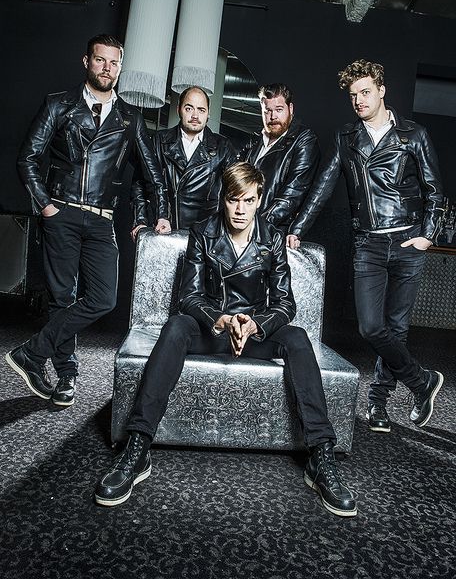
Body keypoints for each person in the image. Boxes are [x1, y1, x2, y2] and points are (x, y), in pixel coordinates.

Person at [94, 162, 357, 518]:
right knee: (175, 327)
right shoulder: (204, 232)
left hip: (253, 332)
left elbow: (285, 303)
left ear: (259, 200)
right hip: (212, 330)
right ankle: (138, 446)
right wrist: (222, 319)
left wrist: (252, 324)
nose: (240, 209)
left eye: (248, 201)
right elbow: (188, 297)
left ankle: (321, 457)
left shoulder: (273, 239)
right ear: (223, 199)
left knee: (296, 339)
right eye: (234, 200)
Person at [6, 34, 171, 407]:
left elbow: (152, 175)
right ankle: (66, 376)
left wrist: (158, 214)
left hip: (101, 219)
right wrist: (46, 205)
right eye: (100, 60)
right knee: (62, 298)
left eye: (114, 63)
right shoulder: (59, 105)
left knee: (103, 298)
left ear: (120, 67)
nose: (107, 68)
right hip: (60, 212)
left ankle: (32, 353)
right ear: (87, 62)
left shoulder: (130, 118)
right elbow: (27, 158)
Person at [288, 59, 444, 433]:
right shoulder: (346, 138)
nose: (358, 100)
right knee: (372, 327)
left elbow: (435, 191)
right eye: (353, 94)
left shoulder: (413, 134)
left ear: (381, 91)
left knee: (396, 327)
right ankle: (422, 383)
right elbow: (324, 185)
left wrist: (428, 235)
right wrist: (298, 228)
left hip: (408, 243)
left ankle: (378, 404)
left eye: (365, 92)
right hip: (369, 245)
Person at [131, 85, 238, 235]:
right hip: (163, 228)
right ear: (179, 109)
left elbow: (237, 190)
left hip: (206, 235)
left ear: (208, 113)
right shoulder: (159, 141)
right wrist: (140, 220)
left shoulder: (223, 147)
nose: (195, 115)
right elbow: (139, 183)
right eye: (189, 108)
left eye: (201, 110)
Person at [242, 83, 320, 239]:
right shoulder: (254, 142)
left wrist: (257, 227)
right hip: (244, 228)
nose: (273, 117)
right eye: (267, 111)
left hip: (276, 233)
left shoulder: (304, 139)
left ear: (290, 109)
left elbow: (293, 194)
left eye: (279, 110)